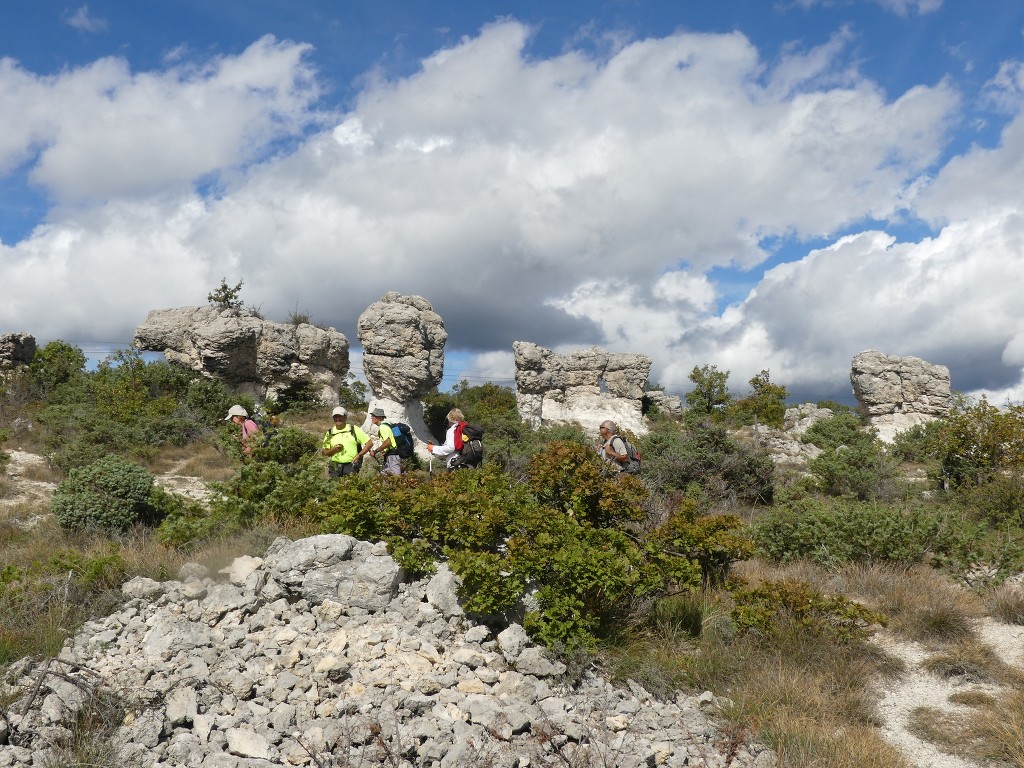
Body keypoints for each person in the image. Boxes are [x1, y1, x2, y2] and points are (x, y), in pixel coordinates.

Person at [322, 406, 371, 478]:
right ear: (333, 418)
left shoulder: (353, 429)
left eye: (340, 416)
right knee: (334, 488)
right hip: (334, 467)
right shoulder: (330, 432)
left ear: (345, 417)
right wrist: (334, 450)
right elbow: (324, 453)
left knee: (351, 488)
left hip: (351, 466)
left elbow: (369, 443)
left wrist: (359, 456)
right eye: (335, 416)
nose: (338, 419)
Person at [367, 407, 401, 476]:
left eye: (373, 416)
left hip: (392, 456)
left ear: (379, 418)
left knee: (396, 478)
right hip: (391, 455)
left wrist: (375, 451)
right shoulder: (387, 425)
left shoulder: (383, 427)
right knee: (384, 476)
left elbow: (388, 442)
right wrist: (385, 451)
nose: (371, 418)